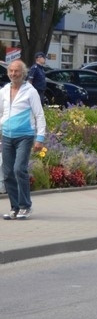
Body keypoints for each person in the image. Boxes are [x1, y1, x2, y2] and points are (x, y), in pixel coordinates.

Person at [1, 60, 46, 220]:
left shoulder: (30, 91)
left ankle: (25, 206)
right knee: (7, 173)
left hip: (25, 136)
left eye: (17, 71)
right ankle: (15, 207)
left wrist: (40, 138)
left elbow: (39, 115)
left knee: (19, 169)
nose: (13, 74)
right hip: (7, 136)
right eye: (11, 71)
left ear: (23, 73)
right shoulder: (4, 90)